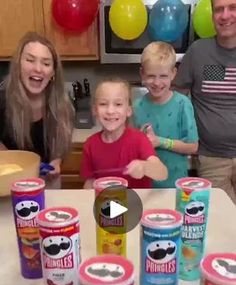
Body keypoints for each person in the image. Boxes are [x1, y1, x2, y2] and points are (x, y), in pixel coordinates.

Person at [173, 0, 236, 204]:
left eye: (232, 8)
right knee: (222, 222)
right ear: (212, 16)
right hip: (212, 159)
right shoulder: (199, 52)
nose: (225, 15)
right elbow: (177, 100)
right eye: (219, 9)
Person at [0, 31, 74, 187]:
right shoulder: (2, 100)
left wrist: (56, 161)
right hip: (8, 182)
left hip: (48, 183)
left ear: (53, 72)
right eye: (30, 60)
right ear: (18, 64)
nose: (38, 69)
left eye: (46, 63)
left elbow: (60, 148)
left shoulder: (63, 106)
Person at [80, 77, 168, 189]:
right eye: (103, 104)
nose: (110, 111)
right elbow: (90, 182)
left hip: (138, 203)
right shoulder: (90, 144)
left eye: (118, 104)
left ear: (128, 111)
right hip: (106, 204)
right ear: (95, 111)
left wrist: (145, 167)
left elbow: (162, 173)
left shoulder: (139, 140)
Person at [132, 41, 199, 188]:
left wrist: (159, 141)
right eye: (151, 76)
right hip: (144, 186)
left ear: (173, 74)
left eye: (163, 76)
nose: (157, 82)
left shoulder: (182, 104)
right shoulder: (136, 107)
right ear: (142, 73)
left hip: (174, 186)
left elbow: (193, 146)